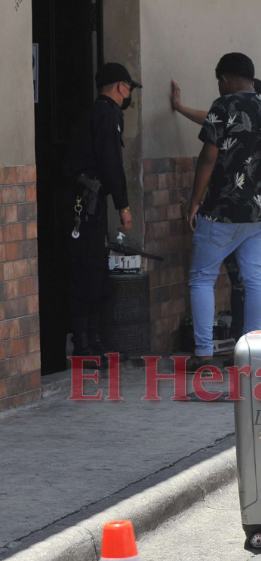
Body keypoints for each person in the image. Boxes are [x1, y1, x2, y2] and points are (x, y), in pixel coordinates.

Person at [185, 53, 261, 373]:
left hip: (219, 212)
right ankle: (251, 351)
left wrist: (195, 201)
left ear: (224, 79)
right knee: (256, 279)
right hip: (259, 214)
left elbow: (208, 159)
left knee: (202, 279)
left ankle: (204, 352)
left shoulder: (222, 107)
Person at [66, 62, 137, 363]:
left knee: (92, 271)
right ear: (121, 86)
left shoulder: (95, 113)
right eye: (129, 87)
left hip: (84, 204)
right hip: (87, 206)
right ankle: (86, 344)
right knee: (90, 272)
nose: (129, 93)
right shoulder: (108, 115)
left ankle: (91, 342)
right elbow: (111, 164)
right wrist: (124, 205)